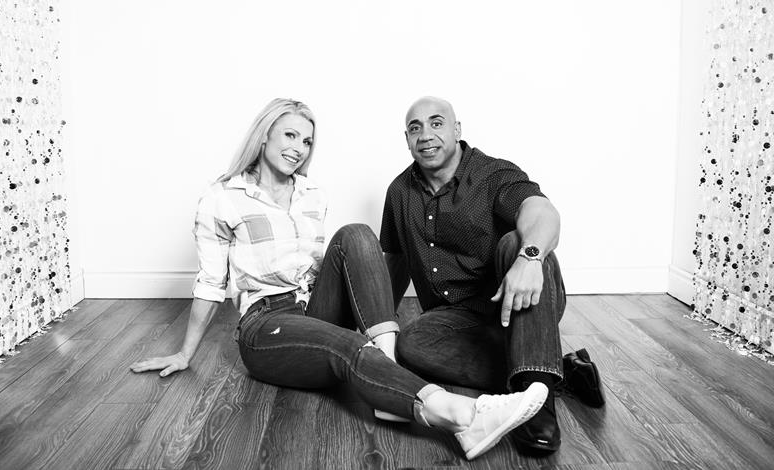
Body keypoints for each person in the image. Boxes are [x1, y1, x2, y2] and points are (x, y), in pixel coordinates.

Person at [129, 98, 549, 461]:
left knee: (357, 234)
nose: (298, 148)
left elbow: (339, 267)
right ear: (264, 135)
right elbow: (209, 281)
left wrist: (529, 256)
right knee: (352, 345)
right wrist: (185, 353)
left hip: (315, 307)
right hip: (266, 321)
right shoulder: (223, 197)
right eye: (290, 135)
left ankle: (389, 371)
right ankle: (461, 416)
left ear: (457, 129)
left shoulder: (312, 195)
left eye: (306, 141)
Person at [381, 96, 604, 455]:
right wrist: (378, 327)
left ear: (457, 129)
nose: (425, 135)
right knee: (410, 345)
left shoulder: (492, 174)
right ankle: (557, 371)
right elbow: (396, 261)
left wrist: (529, 258)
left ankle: (539, 407)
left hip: (522, 302)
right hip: (453, 318)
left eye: (436, 123)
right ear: (406, 138)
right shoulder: (399, 192)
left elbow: (541, 210)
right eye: (414, 128)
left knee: (516, 241)